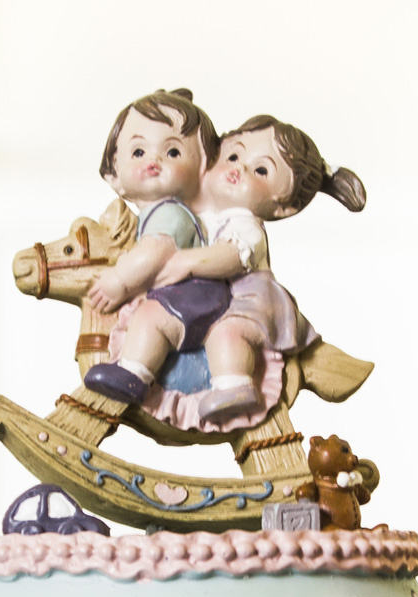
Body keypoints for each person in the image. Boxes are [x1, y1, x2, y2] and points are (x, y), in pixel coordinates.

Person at [88, 114, 366, 422]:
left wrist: (185, 263)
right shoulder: (202, 212)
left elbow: (230, 257)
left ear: (283, 206)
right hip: (205, 298)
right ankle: (133, 373)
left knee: (228, 333)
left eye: (261, 170)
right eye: (234, 156)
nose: (239, 168)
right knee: (153, 315)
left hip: (248, 302)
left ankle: (234, 385)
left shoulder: (246, 225)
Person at [83, 89, 226, 406]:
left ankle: (134, 375)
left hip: (193, 298)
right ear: (114, 173)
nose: (154, 161)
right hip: (179, 297)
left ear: (203, 169)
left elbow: (154, 253)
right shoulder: (151, 214)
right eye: (138, 152)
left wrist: (119, 280)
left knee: (150, 316)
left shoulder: (170, 212)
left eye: (173, 152)